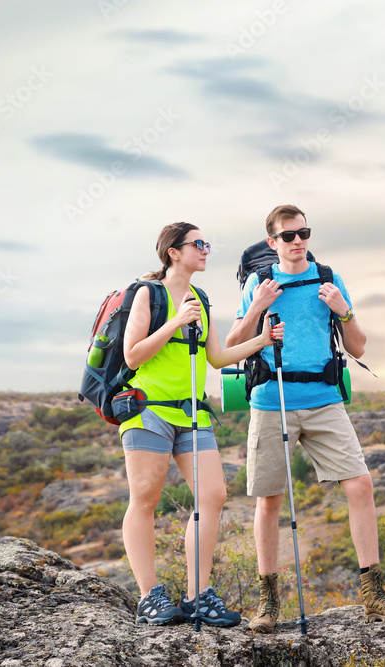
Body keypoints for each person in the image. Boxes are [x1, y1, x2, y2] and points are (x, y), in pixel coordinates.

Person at [225, 204, 385, 632]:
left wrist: (343, 309)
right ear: (272, 242)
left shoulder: (328, 278)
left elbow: (358, 348)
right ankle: (268, 603)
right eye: (288, 235)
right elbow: (231, 347)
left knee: (361, 484)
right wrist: (258, 309)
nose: (298, 241)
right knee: (269, 499)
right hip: (273, 399)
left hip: (325, 398)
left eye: (303, 233)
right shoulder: (259, 282)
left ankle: (374, 595)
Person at [121, 221, 284, 626]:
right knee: (145, 497)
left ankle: (197, 595)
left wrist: (261, 341)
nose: (206, 249)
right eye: (199, 243)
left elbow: (217, 358)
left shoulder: (201, 298)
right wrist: (175, 321)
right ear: (174, 252)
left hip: (193, 413)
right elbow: (132, 357)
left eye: (206, 243)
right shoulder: (149, 294)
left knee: (213, 495)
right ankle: (149, 596)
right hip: (149, 409)